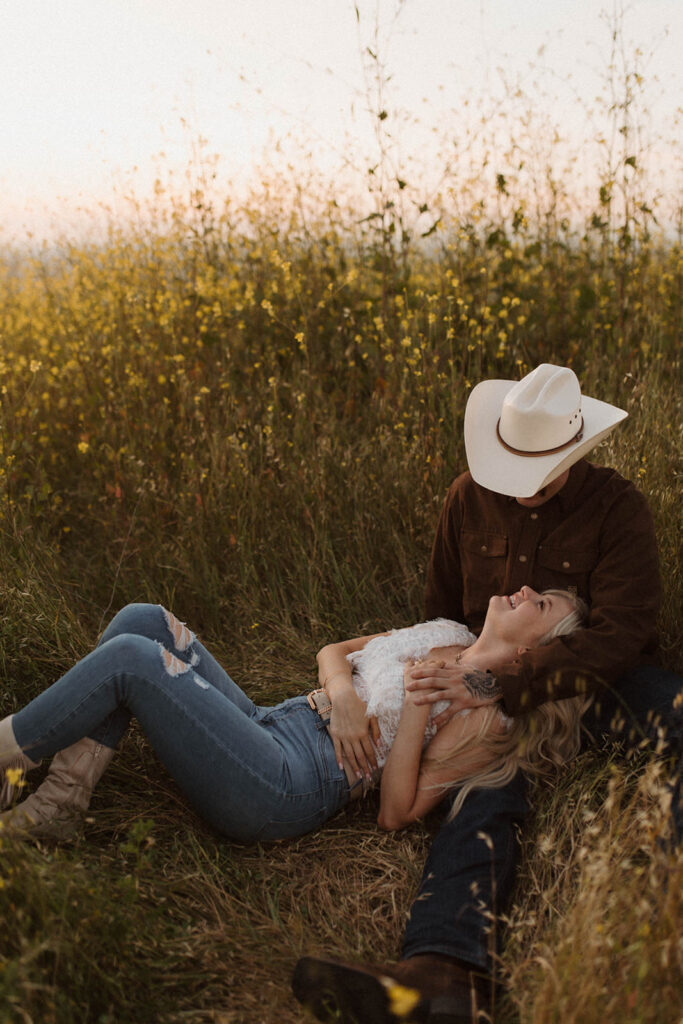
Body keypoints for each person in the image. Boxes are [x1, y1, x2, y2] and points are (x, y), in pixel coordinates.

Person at [292, 363, 683, 1024]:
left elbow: (622, 633)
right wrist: (467, 684)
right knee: (485, 786)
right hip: (488, 678)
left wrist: (500, 682)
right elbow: (442, 609)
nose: (521, 485)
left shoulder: (617, 509)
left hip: (597, 681)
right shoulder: (466, 497)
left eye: (542, 467)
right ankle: (443, 975)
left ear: (574, 448)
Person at [0, 586, 585, 844]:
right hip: (276, 721)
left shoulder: (486, 718)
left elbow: (395, 814)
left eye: (539, 603)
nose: (524, 588)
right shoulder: (449, 632)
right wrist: (344, 699)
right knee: (142, 620)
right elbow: (335, 653)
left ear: (533, 652)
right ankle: (62, 802)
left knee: (131, 659)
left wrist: (415, 703)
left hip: (288, 784)